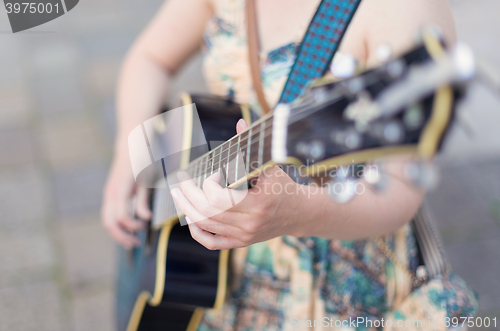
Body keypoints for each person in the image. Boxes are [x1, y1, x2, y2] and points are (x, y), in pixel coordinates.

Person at [102, 0, 457, 329]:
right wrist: (128, 154)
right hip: (213, 270)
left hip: (336, 283)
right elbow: (150, 58)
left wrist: (299, 212)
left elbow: (399, 190)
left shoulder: (399, 9)